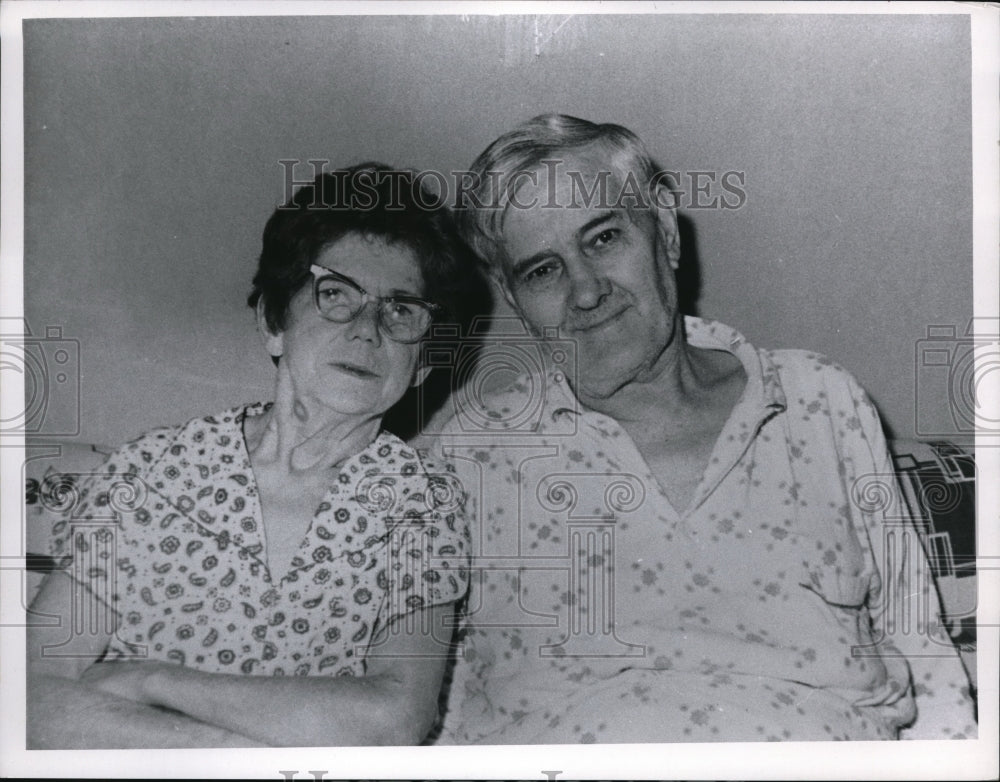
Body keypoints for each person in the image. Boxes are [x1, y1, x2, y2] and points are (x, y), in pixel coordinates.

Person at [432, 114, 977, 743]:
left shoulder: (818, 399)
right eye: (543, 271)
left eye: (604, 238)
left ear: (663, 229)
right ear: (512, 293)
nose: (585, 291)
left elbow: (928, 663)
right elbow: (440, 704)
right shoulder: (475, 450)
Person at [27, 163, 473, 748]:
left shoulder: (421, 506)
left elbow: (391, 720)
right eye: (336, 294)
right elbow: (29, 694)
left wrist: (152, 680)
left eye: (401, 311)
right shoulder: (151, 471)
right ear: (273, 322)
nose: (368, 330)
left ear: (423, 366)